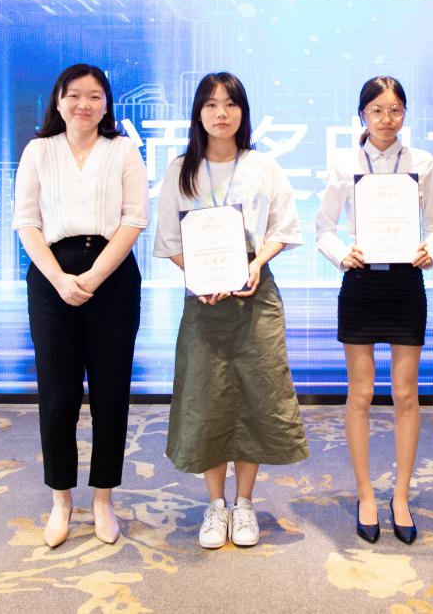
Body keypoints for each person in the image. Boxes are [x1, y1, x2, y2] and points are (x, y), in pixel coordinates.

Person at [153, 72, 309, 549]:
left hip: (254, 295)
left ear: (243, 112)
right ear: (198, 113)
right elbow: (169, 241)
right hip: (203, 302)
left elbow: (284, 228)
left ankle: (244, 504)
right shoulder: (181, 170)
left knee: (256, 395)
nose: (221, 113)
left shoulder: (262, 166)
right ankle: (215, 504)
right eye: (211, 104)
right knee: (208, 398)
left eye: (231, 104)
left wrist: (256, 263)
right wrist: (199, 277)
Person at [12, 63, 148, 548]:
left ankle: (104, 499)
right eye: (74, 95)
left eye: (94, 96)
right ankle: (61, 500)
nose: (83, 104)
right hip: (52, 277)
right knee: (58, 395)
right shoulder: (39, 150)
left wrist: (92, 277)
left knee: (111, 394)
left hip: (112, 277)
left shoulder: (123, 150)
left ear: (107, 104)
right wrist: (60, 279)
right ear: (59, 100)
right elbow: (26, 222)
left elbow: (134, 220)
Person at [315, 76, 433, 545]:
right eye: (377, 110)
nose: (386, 119)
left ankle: (402, 497)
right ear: (362, 115)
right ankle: (367, 494)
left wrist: (431, 248)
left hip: (406, 283)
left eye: (395, 110)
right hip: (362, 282)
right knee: (362, 394)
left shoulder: (423, 163)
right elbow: (323, 227)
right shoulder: (345, 163)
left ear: (404, 113)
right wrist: (341, 254)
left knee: (406, 395)